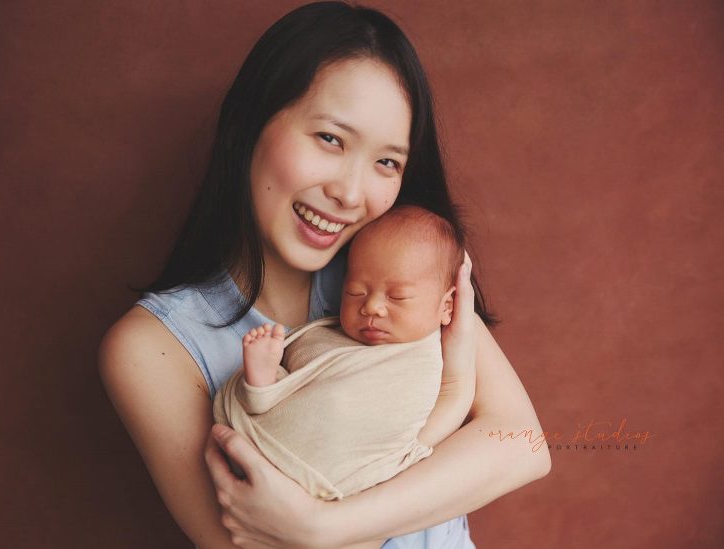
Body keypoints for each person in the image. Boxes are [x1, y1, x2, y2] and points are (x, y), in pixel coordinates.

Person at [98, 3, 551, 548]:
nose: (351, 194)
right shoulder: (154, 348)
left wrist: (323, 526)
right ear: (249, 123)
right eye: (331, 139)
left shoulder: (397, 275)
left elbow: (522, 444)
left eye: (387, 163)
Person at [214, 207, 475, 523]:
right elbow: (304, 385)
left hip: (332, 483)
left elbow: (446, 406)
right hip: (265, 448)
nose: (372, 307)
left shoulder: (424, 358)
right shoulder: (327, 337)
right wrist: (269, 379)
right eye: (356, 292)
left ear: (447, 305)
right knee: (284, 381)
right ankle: (263, 383)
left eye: (398, 297)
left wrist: (461, 339)